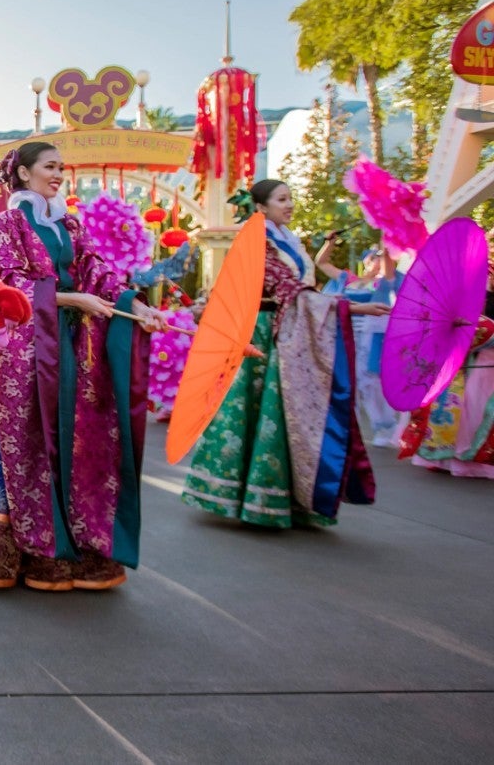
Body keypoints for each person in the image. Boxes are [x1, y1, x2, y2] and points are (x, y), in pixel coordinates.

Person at [0, 142, 163, 591]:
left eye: (62, 167)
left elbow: (97, 271)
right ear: (22, 174)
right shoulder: (5, 224)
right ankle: (34, 555)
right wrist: (69, 298)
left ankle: (79, 551)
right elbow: (11, 284)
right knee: (31, 444)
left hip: (75, 348)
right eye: (50, 167)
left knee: (80, 444)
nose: (59, 174)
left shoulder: (68, 225)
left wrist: (136, 303)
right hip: (27, 348)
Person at [180, 178, 390, 529]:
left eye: (291, 198)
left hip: (287, 331)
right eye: (282, 199)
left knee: (286, 417)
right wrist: (351, 309)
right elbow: (289, 290)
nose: (289, 204)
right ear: (261, 207)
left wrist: (345, 305)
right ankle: (258, 499)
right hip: (264, 333)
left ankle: (290, 497)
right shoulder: (258, 241)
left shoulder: (287, 240)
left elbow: (303, 290)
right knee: (268, 414)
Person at [399, 248, 494, 478]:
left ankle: (467, 455)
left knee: (478, 414)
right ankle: (448, 457)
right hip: (462, 363)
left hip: (483, 363)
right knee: (462, 410)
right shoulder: (456, 291)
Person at [317, 242, 406, 446]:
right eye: (372, 256)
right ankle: (348, 428)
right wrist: (329, 243)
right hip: (346, 333)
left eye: (379, 257)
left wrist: (388, 240)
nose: (375, 259)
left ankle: (385, 427)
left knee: (372, 380)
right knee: (347, 379)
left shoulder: (384, 282)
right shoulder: (349, 279)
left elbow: (388, 268)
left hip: (373, 336)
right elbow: (321, 263)